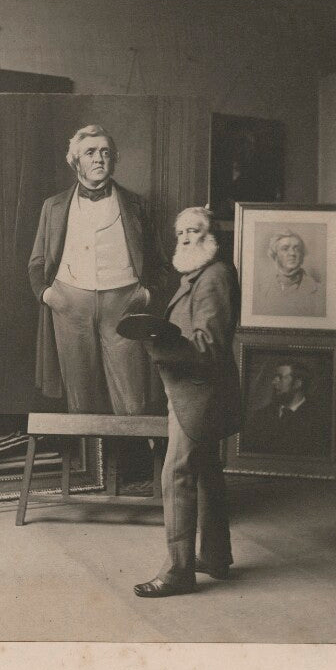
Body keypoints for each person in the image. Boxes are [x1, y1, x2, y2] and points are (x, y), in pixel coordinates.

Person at [134, 207, 241, 598]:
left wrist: (160, 340)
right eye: (180, 232)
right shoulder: (198, 276)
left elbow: (209, 347)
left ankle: (179, 572)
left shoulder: (214, 277)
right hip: (190, 389)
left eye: (193, 231)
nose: (183, 238)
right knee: (207, 469)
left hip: (199, 392)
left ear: (210, 237)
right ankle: (215, 557)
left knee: (176, 474)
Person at [28, 123, 167, 413]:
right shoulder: (53, 206)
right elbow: (37, 262)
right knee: (80, 400)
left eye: (105, 152)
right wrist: (48, 295)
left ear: (113, 159)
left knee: (132, 401)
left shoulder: (138, 206)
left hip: (124, 303)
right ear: (75, 161)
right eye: (90, 152)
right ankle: (86, 446)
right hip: (69, 303)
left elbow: (159, 263)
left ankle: (129, 445)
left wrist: (146, 295)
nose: (99, 159)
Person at [243, 361, 329, 457]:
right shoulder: (261, 416)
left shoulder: (318, 420)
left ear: (297, 383)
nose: (274, 382)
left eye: (280, 377)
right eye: (275, 377)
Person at [254, 229, 325, 317]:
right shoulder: (261, 289)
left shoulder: (319, 291)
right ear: (275, 255)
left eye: (297, 249)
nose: (292, 253)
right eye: (285, 249)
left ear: (302, 255)